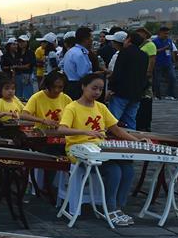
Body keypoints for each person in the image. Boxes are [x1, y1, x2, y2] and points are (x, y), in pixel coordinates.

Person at [56, 74, 146, 226]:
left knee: (128, 169)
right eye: (94, 88)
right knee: (114, 171)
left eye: (100, 89)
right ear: (83, 87)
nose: (97, 92)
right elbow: (61, 130)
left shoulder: (101, 107)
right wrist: (85, 132)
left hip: (100, 149)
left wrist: (138, 141)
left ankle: (118, 207)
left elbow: (116, 130)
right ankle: (109, 209)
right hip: (79, 150)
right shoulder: (72, 107)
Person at [107, 31, 149, 130]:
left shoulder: (124, 53)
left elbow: (117, 73)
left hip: (121, 92)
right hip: (136, 93)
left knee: (113, 120)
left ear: (129, 40)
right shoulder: (144, 55)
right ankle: (131, 141)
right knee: (131, 120)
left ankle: (112, 141)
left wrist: (110, 88)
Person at [61, 27, 93, 100]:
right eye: (91, 38)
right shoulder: (80, 54)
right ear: (86, 40)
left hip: (69, 85)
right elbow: (83, 74)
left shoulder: (71, 51)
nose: (92, 40)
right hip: (77, 87)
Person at [135, 28, 156, 131]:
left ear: (145, 34)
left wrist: (148, 74)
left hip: (145, 76)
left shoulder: (150, 45)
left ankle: (146, 124)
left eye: (140, 34)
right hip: (139, 75)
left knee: (147, 99)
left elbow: (152, 61)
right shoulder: (141, 45)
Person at [152, 26, 178, 99]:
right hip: (158, 63)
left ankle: (170, 95)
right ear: (160, 33)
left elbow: (171, 51)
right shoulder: (154, 41)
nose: (166, 35)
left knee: (172, 78)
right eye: (165, 33)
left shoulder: (169, 40)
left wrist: (174, 61)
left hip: (168, 63)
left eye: (167, 33)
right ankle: (157, 95)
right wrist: (164, 49)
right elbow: (154, 51)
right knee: (157, 80)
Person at [12, 35, 35, 101]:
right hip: (18, 75)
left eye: (22, 41)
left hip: (27, 76)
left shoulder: (30, 53)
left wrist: (17, 67)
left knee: (27, 95)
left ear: (27, 42)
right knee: (18, 95)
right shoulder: (17, 53)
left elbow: (29, 65)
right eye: (19, 42)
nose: (20, 43)